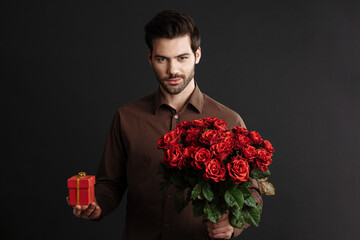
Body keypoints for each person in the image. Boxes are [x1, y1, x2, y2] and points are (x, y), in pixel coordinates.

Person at [67, 10, 262, 240]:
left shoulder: (230, 120)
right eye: (162, 59)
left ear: (197, 55)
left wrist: (233, 224)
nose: (173, 70)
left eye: (182, 58)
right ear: (149, 57)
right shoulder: (126, 118)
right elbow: (110, 183)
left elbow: (253, 191)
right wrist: (97, 204)